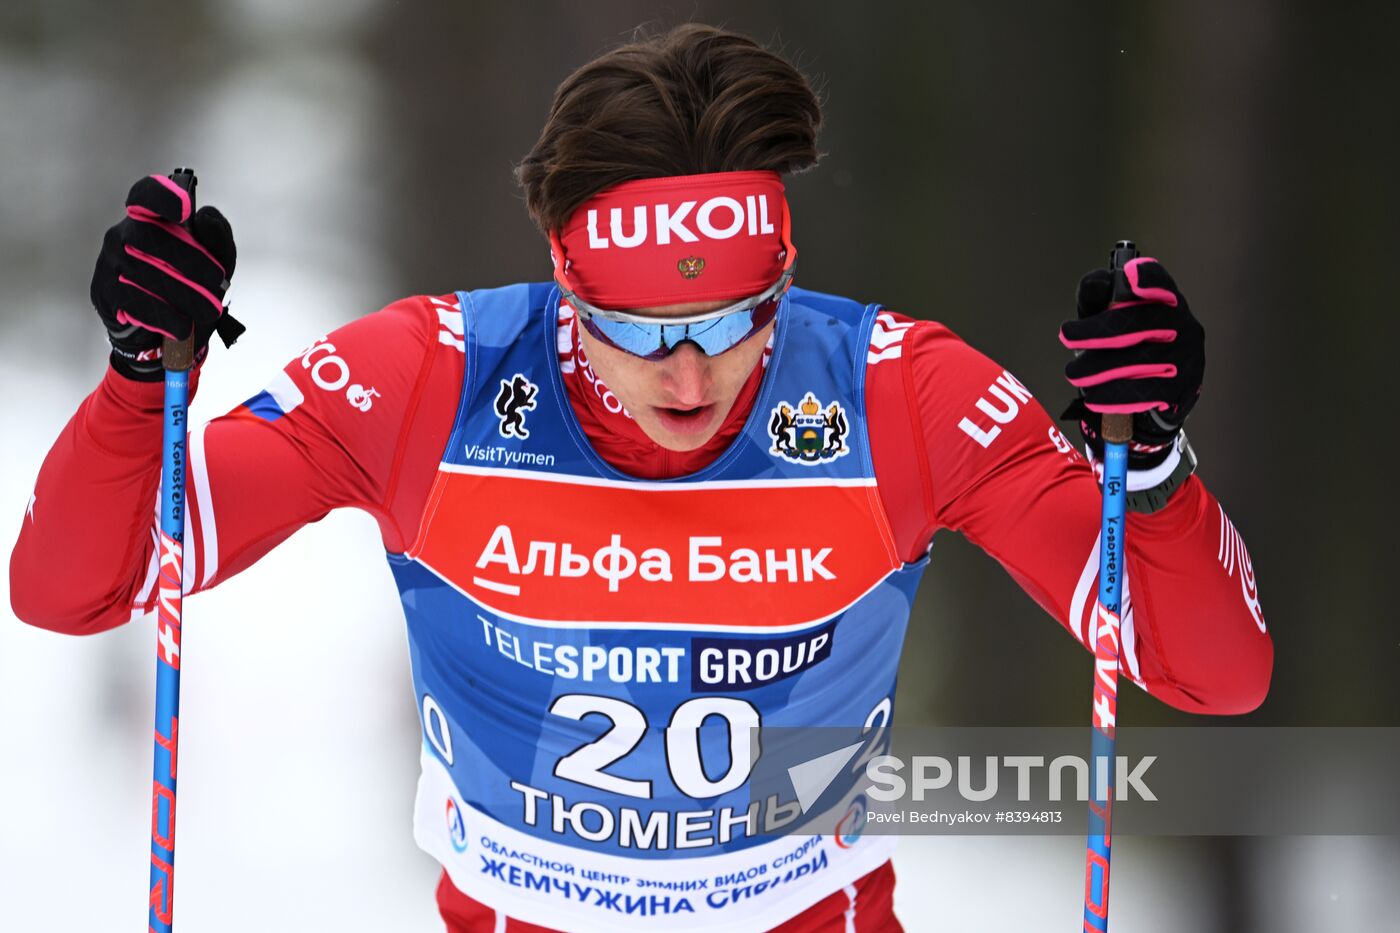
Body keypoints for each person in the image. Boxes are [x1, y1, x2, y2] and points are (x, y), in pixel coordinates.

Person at [9, 24, 1271, 933]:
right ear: (565, 284)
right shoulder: (429, 377)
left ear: (780, 280)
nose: (687, 374)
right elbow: (77, 588)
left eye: (734, 324)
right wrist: (138, 375)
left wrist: (1145, 464)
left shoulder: (899, 389)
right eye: (635, 330)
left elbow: (1206, 672)